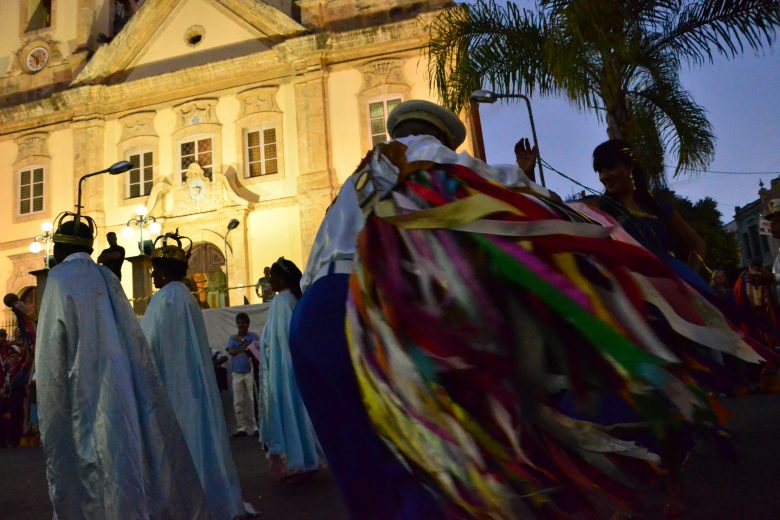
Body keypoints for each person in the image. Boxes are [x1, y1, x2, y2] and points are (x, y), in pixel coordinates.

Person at [290, 100, 555, 518]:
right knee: (416, 465)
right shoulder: (425, 155)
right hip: (369, 305)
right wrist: (530, 181)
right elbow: (503, 187)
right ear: (441, 138)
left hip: (312, 316)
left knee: (361, 474)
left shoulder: (356, 178)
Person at [35, 212, 209, 519]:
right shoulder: (107, 277)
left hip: (82, 391)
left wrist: (50, 403)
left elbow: (51, 351)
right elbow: (135, 339)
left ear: (60, 247)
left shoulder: (58, 279)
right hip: (122, 386)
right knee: (122, 457)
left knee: (87, 464)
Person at [141, 231, 245, 520]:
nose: (152, 275)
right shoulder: (185, 298)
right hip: (191, 385)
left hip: (171, 387)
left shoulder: (163, 301)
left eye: (155, 270)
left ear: (165, 271)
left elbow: (147, 346)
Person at [584, 139, 707, 271]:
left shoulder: (658, 208)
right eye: (600, 171)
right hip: (628, 290)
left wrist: (688, 279)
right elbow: (565, 209)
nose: (603, 176)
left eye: (610, 167)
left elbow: (698, 244)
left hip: (671, 288)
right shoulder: (598, 206)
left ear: (630, 166)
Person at [258, 257, 325, 481]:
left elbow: (279, 338)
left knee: (290, 411)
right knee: (299, 412)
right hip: (291, 366)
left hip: (284, 369)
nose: (270, 280)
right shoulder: (291, 301)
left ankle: (299, 461)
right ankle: (307, 458)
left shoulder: (282, 302)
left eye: (273, 277)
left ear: (283, 278)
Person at [227, 312, 259, 437]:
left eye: (243, 323)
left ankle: (257, 426)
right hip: (237, 372)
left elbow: (255, 349)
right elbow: (231, 351)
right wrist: (244, 349)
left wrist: (242, 341)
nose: (241, 325)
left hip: (250, 372)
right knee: (238, 401)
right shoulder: (231, 338)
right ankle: (242, 428)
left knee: (253, 400)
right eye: (239, 323)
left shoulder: (253, 336)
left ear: (248, 324)